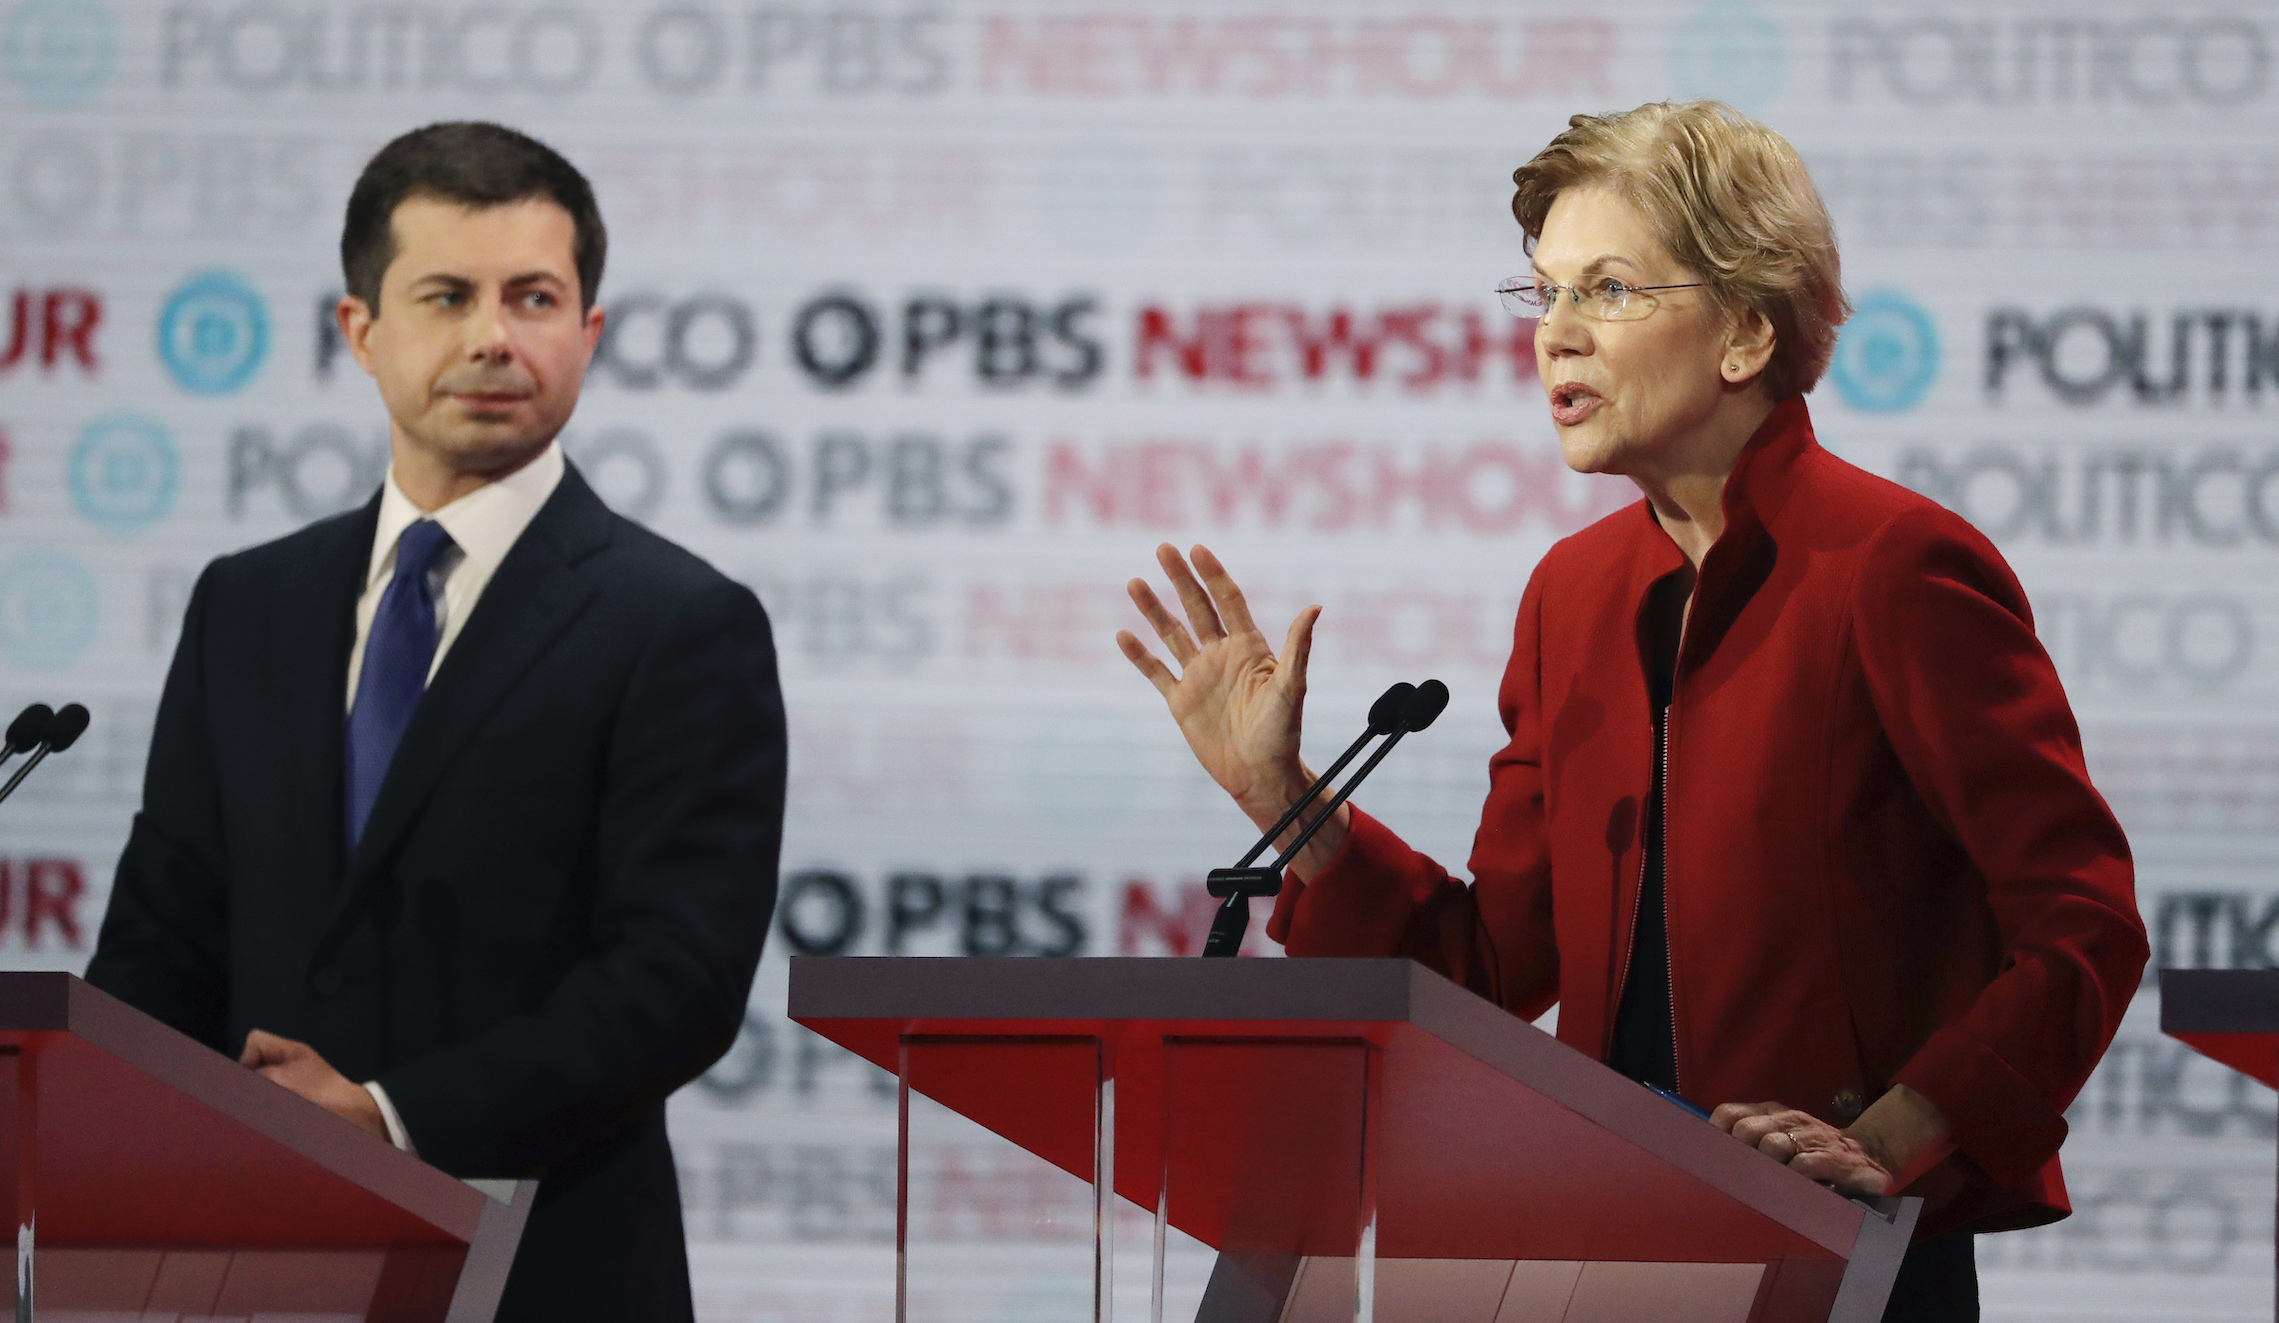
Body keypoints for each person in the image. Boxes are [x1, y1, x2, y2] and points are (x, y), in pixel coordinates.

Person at [1116, 102, 2146, 1321]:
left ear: (1745, 331)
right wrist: (1280, 799)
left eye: (1606, 290)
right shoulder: (1573, 596)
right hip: (1612, 1249)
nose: (1554, 335)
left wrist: (1895, 1132)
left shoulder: (1890, 565)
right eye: (1543, 293)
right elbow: (1487, 967)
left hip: (1844, 1256)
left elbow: (2081, 919)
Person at [85, 122, 786, 1320]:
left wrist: (385, 1116)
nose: (492, 337)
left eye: (533, 298)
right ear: (360, 330)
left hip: (546, 1270)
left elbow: (674, 982)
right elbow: (163, 938)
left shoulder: (679, 622)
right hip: (247, 1267)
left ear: (588, 333)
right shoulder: (247, 605)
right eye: (447, 296)